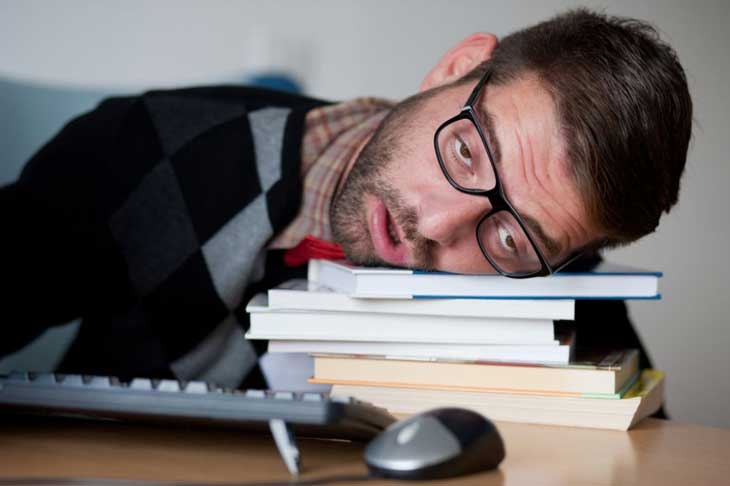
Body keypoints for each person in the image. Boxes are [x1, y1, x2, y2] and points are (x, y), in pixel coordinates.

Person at [1, 8, 691, 414]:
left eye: (509, 234)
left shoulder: (549, 290)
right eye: (469, 153)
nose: (439, 225)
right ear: (454, 68)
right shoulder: (145, 150)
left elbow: (641, 450)